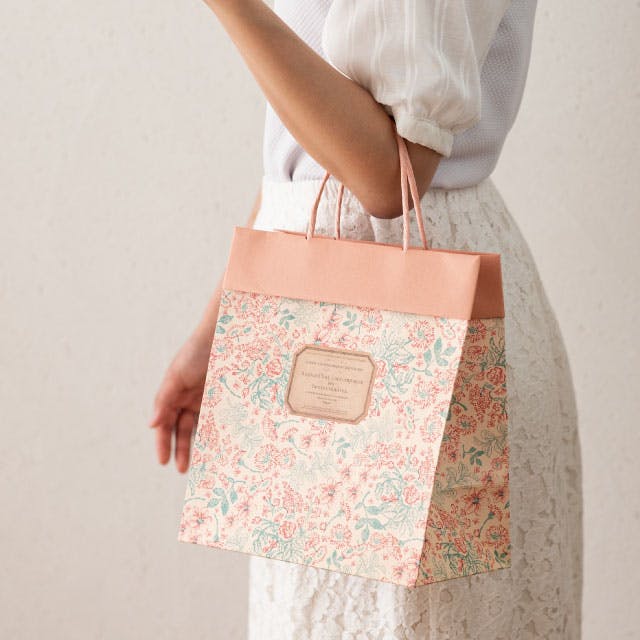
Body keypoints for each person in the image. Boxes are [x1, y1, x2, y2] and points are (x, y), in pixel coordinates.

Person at [148, 1, 583, 638]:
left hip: (417, 329)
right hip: (322, 313)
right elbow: (313, 153)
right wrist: (217, 325)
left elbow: (386, 174)